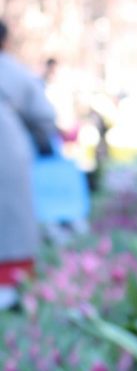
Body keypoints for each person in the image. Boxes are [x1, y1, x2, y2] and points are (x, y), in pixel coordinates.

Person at [0, 20, 57, 304]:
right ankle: (13, 284)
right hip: (8, 147)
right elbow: (45, 115)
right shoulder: (13, 70)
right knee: (12, 218)